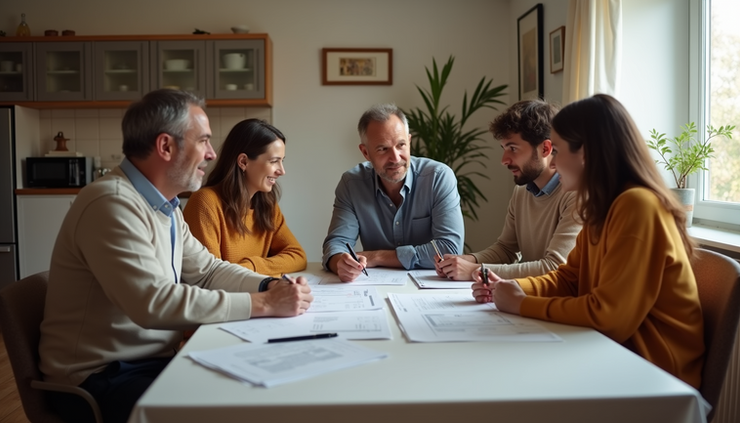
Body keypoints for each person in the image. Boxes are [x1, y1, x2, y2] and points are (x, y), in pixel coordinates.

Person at [38, 89, 314, 423]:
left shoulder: (166, 208)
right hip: (101, 376)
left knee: (261, 393)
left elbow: (208, 271)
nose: (212, 154)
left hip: (151, 360)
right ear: (166, 146)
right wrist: (265, 304)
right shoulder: (110, 204)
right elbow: (152, 302)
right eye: (204, 141)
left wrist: (269, 286)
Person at [471, 94, 704, 389]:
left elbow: (609, 317)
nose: (552, 162)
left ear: (587, 154)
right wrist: (513, 288)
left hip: (652, 374)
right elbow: (570, 278)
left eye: (556, 150)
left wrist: (522, 304)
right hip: (612, 354)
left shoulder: (638, 206)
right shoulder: (601, 205)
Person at [435, 99, 580, 280]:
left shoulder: (576, 194)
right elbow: (506, 249)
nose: (504, 160)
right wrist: (464, 261)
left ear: (545, 148)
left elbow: (555, 267)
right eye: (504, 148)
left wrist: (476, 270)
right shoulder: (522, 191)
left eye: (513, 148)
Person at [322, 103, 464, 282]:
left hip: (432, 286)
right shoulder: (352, 184)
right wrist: (340, 263)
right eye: (383, 149)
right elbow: (336, 244)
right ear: (365, 152)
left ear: (409, 142)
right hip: (374, 287)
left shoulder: (438, 177)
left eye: (401, 145)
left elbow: (449, 249)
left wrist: (377, 257)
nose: (396, 158)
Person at [183, 119, 307, 276]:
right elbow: (211, 277)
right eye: (274, 161)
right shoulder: (205, 203)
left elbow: (298, 256)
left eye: (282, 161)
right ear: (243, 161)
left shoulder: (267, 205)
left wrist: (251, 267)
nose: (281, 171)